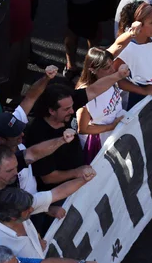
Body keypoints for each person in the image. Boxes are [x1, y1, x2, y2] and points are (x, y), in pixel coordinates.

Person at [23, 67, 129, 198]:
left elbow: (94, 90)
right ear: (51, 111)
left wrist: (118, 75)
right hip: (61, 193)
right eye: (67, 109)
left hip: (79, 173)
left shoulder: (68, 103)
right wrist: (76, 173)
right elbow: (48, 177)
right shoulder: (38, 135)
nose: (73, 111)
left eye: (72, 106)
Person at [0, 185, 97, 263]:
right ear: (13, 218)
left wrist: (84, 178)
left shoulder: (20, 206)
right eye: (28, 210)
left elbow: (57, 193)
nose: (32, 209)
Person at [0, 138, 88, 231]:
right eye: (9, 171)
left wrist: (62, 140)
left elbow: (34, 152)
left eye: (16, 167)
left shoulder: (8, 165)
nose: (16, 172)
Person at [0, 67, 58, 194]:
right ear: (1, 140)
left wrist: (46, 78)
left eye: (19, 130)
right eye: (14, 134)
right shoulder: (0, 164)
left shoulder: (11, 126)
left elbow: (30, 98)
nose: (21, 134)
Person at [75, 47, 125, 162]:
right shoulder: (84, 94)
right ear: (92, 69)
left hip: (116, 131)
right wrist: (111, 127)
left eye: (112, 65)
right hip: (99, 143)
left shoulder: (110, 78)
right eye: (107, 68)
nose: (113, 70)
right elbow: (82, 129)